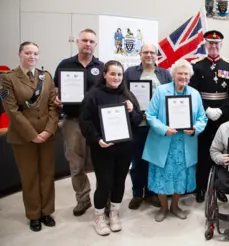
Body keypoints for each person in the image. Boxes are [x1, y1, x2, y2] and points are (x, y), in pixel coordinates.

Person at [0, 42, 59, 232]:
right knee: (30, 177)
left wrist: (48, 131)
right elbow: (12, 111)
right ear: (19, 54)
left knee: (47, 174)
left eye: (35, 53)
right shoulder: (7, 79)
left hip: (47, 136)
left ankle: (47, 211)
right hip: (23, 138)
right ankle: (34, 214)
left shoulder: (46, 77)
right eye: (27, 53)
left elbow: (53, 106)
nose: (32, 57)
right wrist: (33, 135)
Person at [79, 60, 142, 236]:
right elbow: (85, 121)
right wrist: (97, 139)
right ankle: (99, 216)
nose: (116, 77)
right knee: (104, 183)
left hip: (125, 148)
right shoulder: (93, 95)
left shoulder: (127, 95)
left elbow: (137, 121)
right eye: (112, 74)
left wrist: (132, 111)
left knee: (119, 181)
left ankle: (114, 214)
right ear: (104, 74)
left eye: (119, 74)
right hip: (102, 147)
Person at [142, 59, 207, 222]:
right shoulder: (161, 91)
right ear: (173, 74)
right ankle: (163, 207)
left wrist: (195, 129)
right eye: (180, 73)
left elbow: (202, 118)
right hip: (164, 141)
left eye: (186, 74)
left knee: (181, 175)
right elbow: (150, 115)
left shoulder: (195, 94)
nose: (183, 76)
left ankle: (175, 206)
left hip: (185, 142)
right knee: (161, 177)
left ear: (190, 77)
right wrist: (164, 129)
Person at [54, 29, 105, 216]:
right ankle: (83, 200)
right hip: (72, 122)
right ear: (77, 42)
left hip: (96, 123)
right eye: (84, 40)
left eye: (92, 41)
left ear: (95, 45)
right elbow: (55, 89)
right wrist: (56, 98)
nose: (88, 44)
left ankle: (103, 200)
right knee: (75, 164)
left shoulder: (101, 67)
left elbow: (109, 91)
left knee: (101, 163)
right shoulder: (65, 65)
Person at [190, 30, 229, 203]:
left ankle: (220, 187)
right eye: (210, 43)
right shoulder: (197, 66)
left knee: (223, 153)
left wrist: (223, 110)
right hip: (203, 115)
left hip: (222, 117)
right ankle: (201, 187)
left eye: (216, 44)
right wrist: (205, 110)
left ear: (221, 45)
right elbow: (193, 93)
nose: (213, 46)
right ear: (205, 45)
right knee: (203, 152)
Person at [124, 43, 172, 210]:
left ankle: (151, 193)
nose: (149, 55)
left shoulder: (165, 74)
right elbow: (124, 94)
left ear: (157, 55)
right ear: (140, 54)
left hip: (157, 126)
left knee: (154, 161)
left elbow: (171, 97)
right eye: (146, 52)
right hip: (137, 124)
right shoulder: (130, 72)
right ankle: (137, 193)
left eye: (152, 52)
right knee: (137, 161)